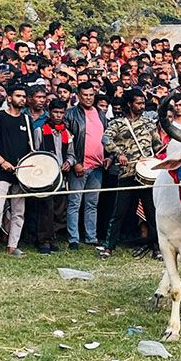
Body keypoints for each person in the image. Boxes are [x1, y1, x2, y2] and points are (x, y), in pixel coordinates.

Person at [100, 88, 163, 259]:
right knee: (118, 213)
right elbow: (105, 139)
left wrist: (161, 157)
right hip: (127, 174)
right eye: (139, 103)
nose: (142, 106)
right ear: (129, 104)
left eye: (143, 103)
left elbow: (158, 147)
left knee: (152, 213)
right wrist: (118, 153)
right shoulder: (117, 123)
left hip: (147, 175)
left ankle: (156, 247)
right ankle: (108, 246)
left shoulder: (149, 123)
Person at [0, 83, 34, 257]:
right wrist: (2, 162)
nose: (22, 99)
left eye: (24, 96)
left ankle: (13, 246)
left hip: (21, 173)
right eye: (18, 95)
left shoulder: (26, 119)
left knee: (19, 211)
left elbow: (31, 148)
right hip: (1, 172)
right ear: (9, 98)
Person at [62, 80, 107, 249]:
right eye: (85, 95)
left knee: (91, 204)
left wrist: (108, 156)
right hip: (80, 166)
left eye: (91, 95)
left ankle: (91, 237)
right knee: (74, 202)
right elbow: (67, 141)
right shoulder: (70, 114)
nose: (88, 98)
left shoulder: (100, 114)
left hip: (97, 166)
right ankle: (73, 238)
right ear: (78, 96)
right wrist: (75, 163)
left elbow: (107, 137)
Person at [35, 98, 69, 254]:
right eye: (55, 112)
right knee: (46, 209)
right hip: (46, 176)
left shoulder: (66, 132)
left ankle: (52, 237)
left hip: (61, 177)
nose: (58, 115)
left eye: (61, 112)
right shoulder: (40, 131)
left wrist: (69, 162)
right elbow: (35, 152)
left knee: (58, 209)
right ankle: (43, 241)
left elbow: (71, 153)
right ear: (50, 112)